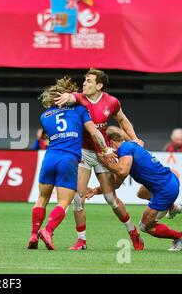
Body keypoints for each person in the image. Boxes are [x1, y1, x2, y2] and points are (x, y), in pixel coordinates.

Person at [55, 68, 145, 251]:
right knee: (78, 199)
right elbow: (72, 96)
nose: (84, 83)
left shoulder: (111, 102)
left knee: (111, 198)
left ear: (99, 85)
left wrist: (134, 138)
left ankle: (133, 232)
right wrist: (66, 95)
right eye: (85, 80)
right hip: (84, 153)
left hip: (104, 153)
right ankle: (82, 241)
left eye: (88, 81)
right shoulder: (79, 98)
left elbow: (123, 120)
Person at [28, 76, 113, 250]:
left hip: (49, 157)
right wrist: (105, 150)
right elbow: (95, 133)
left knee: (42, 198)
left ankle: (33, 235)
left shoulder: (45, 116)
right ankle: (48, 231)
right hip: (68, 159)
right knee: (64, 202)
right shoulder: (80, 110)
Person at [90, 127, 182, 251]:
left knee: (145, 226)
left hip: (165, 190)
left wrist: (104, 162)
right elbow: (116, 185)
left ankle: (180, 237)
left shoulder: (124, 149)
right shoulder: (129, 147)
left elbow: (122, 171)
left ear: (111, 142)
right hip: (170, 180)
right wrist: (94, 191)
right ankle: (171, 206)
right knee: (141, 193)